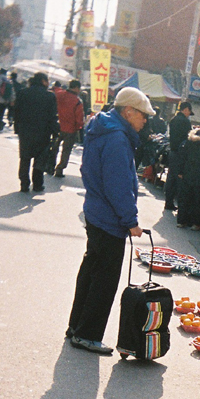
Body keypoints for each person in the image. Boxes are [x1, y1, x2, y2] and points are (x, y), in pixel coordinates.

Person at [66, 87, 149, 355]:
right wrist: (131, 220)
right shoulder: (116, 138)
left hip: (96, 211)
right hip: (109, 218)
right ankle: (88, 334)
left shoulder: (102, 128)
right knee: (104, 280)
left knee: (91, 272)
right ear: (128, 111)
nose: (145, 120)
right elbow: (118, 185)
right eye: (143, 115)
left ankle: (76, 327)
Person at [12, 72, 59, 193]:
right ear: (43, 81)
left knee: (25, 157)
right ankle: (37, 184)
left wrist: (17, 128)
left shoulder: (23, 93)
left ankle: (24, 183)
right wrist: (55, 132)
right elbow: (53, 116)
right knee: (40, 158)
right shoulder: (50, 96)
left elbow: (16, 112)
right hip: (43, 132)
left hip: (25, 131)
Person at [53, 79, 85, 178]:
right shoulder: (77, 101)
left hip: (57, 125)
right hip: (70, 129)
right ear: (76, 88)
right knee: (66, 150)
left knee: (53, 146)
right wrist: (80, 127)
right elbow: (79, 118)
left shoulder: (58, 94)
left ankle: (49, 165)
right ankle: (59, 169)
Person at [164, 100, 192, 211]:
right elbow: (188, 138)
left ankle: (168, 201)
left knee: (170, 177)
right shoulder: (185, 122)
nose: (189, 114)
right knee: (178, 179)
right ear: (185, 110)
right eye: (189, 111)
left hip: (172, 151)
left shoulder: (173, 120)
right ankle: (175, 203)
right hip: (180, 154)